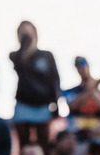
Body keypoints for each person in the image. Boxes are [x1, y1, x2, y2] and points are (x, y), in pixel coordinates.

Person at [9, 20, 62, 148]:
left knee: (43, 145)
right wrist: (25, 45)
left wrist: (56, 103)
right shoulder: (16, 55)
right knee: (24, 145)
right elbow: (19, 65)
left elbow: (54, 80)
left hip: (43, 105)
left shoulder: (46, 55)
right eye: (23, 32)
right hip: (23, 105)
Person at [63, 56, 100, 144]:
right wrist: (92, 86)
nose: (82, 69)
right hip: (77, 134)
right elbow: (73, 106)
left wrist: (93, 87)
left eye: (83, 64)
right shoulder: (72, 91)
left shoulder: (99, 93)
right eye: (78, 66)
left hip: (97, 133)